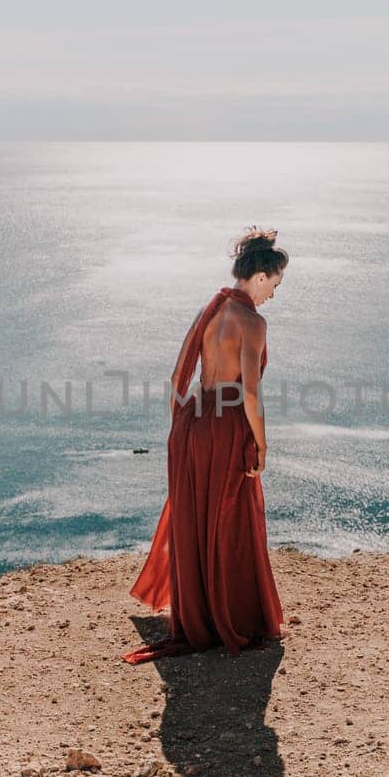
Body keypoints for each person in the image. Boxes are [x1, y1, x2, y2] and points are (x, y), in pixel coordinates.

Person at [122, 227, 289, 664]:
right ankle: (232, 617)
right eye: (275, 282)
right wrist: (263, 443)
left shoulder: (211, 310)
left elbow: (179, 377)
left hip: (196, 421)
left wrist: (185, 423)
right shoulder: (251, 321)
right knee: (233, 520)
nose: (274, 292)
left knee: (200, 516)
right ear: (260, 275)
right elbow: (249, 393)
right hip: (228, 423)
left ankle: (202, 615)